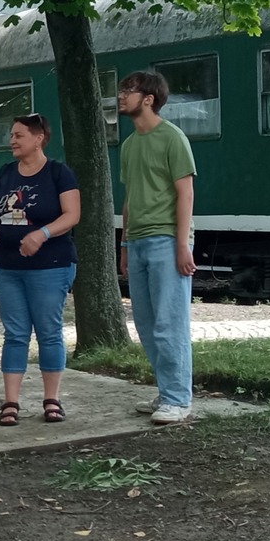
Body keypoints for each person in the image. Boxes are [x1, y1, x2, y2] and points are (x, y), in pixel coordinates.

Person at [0, 113, 80, 425]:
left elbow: (72, 215)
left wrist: (42, 234)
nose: (12, 140)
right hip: (9, 267)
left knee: (48, 332)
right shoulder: (6, 172)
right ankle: (11, 403)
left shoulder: (58, 173)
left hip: (50, 266)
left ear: (38, 139)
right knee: (15, 334)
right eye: (12, 135)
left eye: (18, 135)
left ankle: (52, 400)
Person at [117, 69, 198, 425]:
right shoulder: (129, 145)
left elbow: (186, 193)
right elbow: (129, 198)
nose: (121, 96)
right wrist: (124, 243)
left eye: (129, 90)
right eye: (121, 90)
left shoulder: (172, 138)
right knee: (148, 325)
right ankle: (167, 392)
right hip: (137, 242)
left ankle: (179, 399)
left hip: (167, 240)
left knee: (169, 323)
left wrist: (182, 244)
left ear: (148, 99)